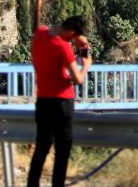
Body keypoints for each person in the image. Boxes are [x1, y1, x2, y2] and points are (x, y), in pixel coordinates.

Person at [28, 15, 91, 187]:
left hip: (43, 101)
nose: (71, 41)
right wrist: (86, 62)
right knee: (62, 151)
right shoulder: (63, 47)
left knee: (41, 148)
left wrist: (76, 42)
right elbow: (77, 79)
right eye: (72, 37)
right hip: (62, 102)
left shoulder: (39, 33)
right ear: (70, 31)